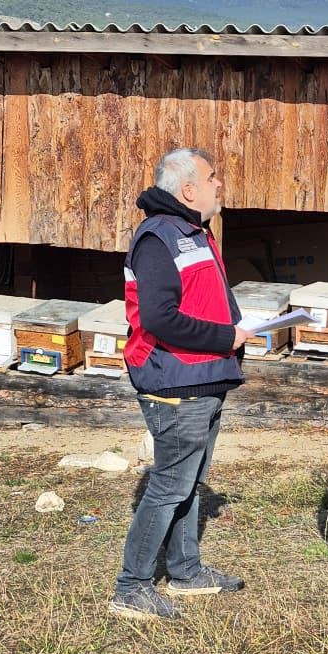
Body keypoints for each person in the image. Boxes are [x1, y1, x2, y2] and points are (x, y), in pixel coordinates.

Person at [110, 147, 252, 619]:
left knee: (191, 480)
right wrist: (226, 337)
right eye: (213, 178)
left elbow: (206, 301)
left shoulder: (194, 233)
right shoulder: (158, 238)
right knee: (171, 483)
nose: (219, 186)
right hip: (174, 381)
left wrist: (236, 337)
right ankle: (132, 587)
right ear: (188, 189)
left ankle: (185, 571)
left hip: (203, 374)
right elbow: (159, 318)